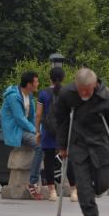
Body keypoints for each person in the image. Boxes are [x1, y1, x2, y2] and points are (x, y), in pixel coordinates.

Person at [55, 67, 109, 216]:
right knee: (82, 184)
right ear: (75, 84)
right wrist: (61, 145)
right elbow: (60, 120)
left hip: (102, 143)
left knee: (102, 184)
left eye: (87, 90)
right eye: (80, 90)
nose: (83, 93)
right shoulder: (67, 94)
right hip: (79, 143)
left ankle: (91, 192)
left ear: (95, 84)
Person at [35, 66, 77, 202]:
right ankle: (74, 191)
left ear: (50, 78)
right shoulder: (69, 92)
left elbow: (39, 114)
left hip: (48, 130)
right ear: (64, 78)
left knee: (48, 161)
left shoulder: (43, 93)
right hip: (64, 131)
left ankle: (52, 192)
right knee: (68, 160)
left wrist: (37, 131)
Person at [0, 70, 44, 199]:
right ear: (29, 84)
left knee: (47, 141)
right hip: (16, 130)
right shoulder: (13, 96)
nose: (38, 84)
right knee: (40, 146)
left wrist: (41, 130)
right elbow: (20, 119)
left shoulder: (29, 96)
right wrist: (36, 132)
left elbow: (33, 118)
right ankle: (33, 182)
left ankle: (46, 180)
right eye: (36, 82)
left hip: (25, 129)